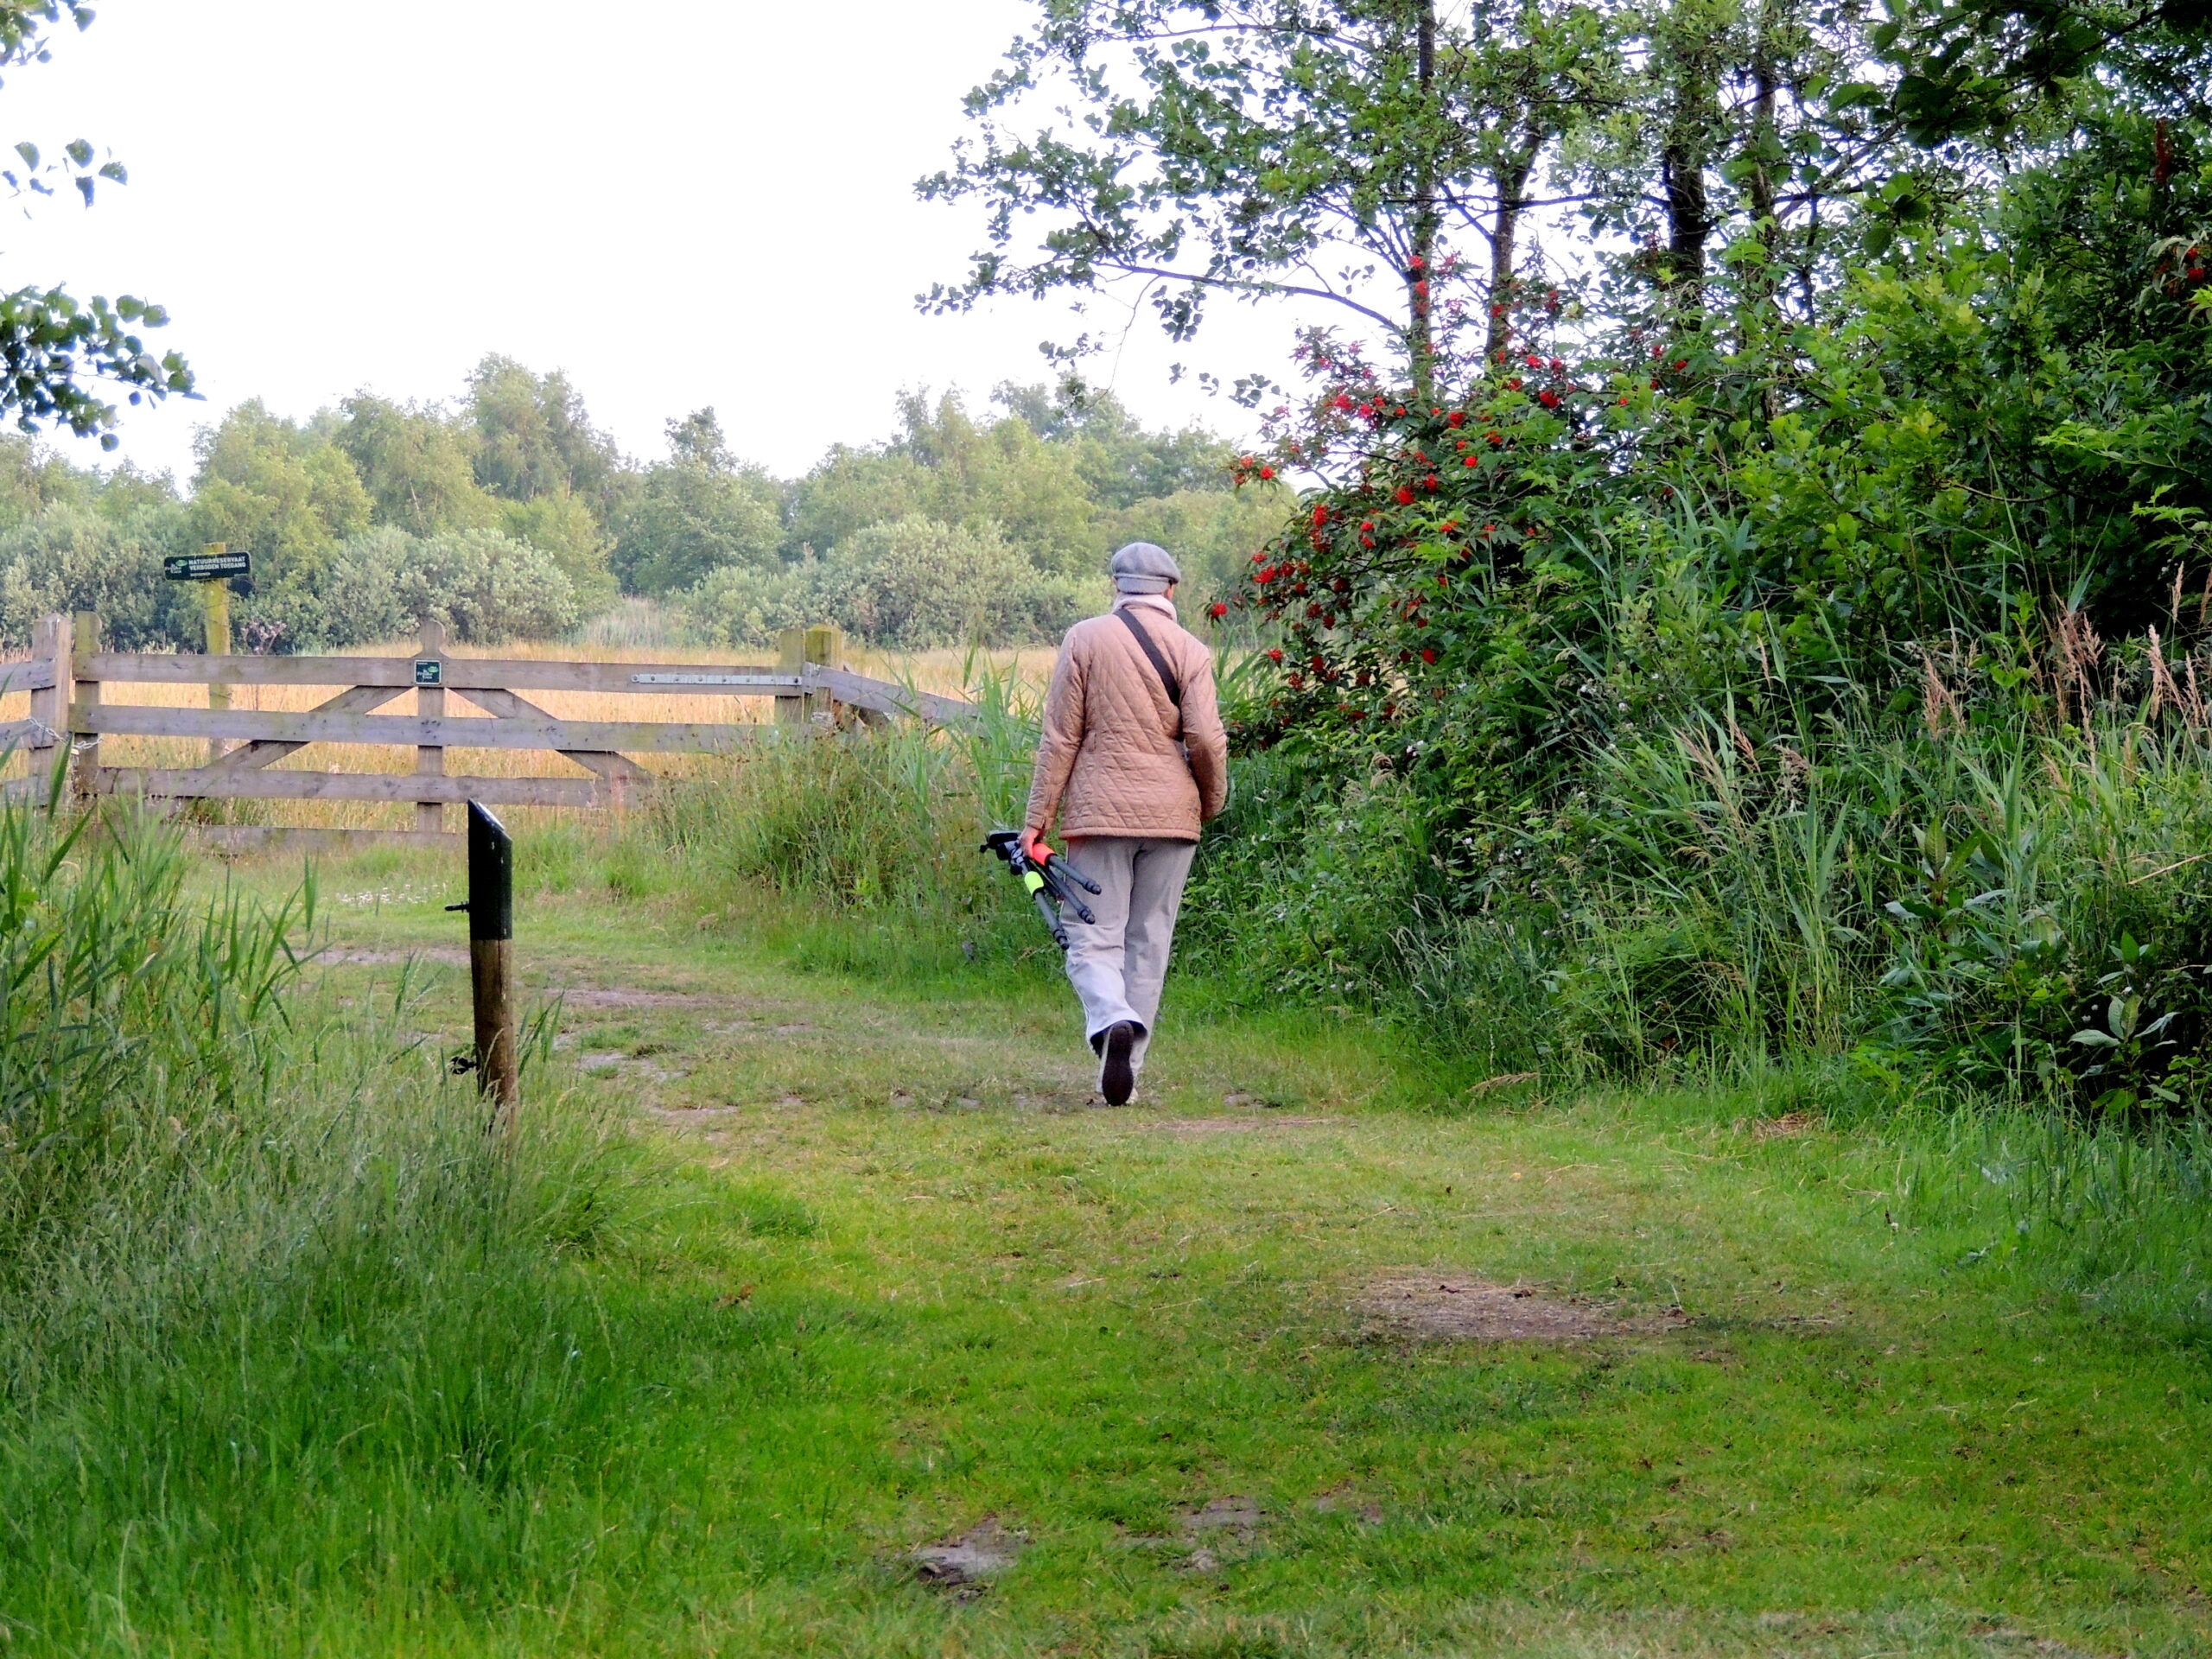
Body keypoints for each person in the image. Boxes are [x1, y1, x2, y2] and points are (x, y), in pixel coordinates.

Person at [1020, 541, 1230, 1105]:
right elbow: (1206, 739)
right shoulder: (1192, 650)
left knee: (1092, 936)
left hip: (1098, 812)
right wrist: (1208, 802)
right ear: (1171, 589)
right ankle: (1127, 1074)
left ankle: (1111, 1018)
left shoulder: (1084, 638)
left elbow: (1060, 737)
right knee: (1149, 942)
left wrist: (1036, 820)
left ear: (1116, 584)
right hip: (1173, 815)